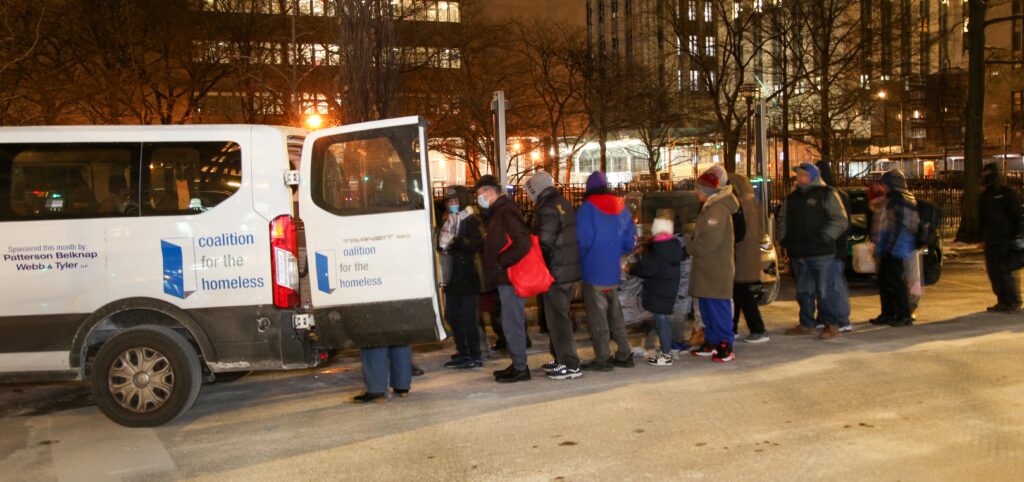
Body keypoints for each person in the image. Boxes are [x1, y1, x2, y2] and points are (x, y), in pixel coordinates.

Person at [779, 163, 849, 340]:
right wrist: (784, 239)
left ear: (812, 176)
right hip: (799, 253)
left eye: (802, 174)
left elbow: (840, 220)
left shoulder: (827, 194)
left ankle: (830, 324)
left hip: (822, 253)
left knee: (826, 291)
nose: (798, 177)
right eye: (798, 174)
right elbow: (782, 219)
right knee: (804, 291)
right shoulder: (792, 198)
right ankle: (806, 323)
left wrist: (825, 236)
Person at [524, 171, 584, 380]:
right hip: (566, 269)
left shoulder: (547, 207)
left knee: (558, 319)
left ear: (535, 189)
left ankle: (570, 363)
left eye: (529, 191)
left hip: (555, 272)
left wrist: (535, 261)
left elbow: (544, 242)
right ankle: (560, 358)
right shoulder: (561, 202)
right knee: (558, 316)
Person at [475, 175, 534, 383]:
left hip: (510, 277)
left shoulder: (506, 212)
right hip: (503, 278)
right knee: (509, 322)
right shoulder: (497, 213)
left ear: (490, 192)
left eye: (480, 195)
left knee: (513, 322)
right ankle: (517, 363)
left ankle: (521, 368)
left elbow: (523, 243)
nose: (479, 199)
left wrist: (501, 261)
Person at [577, 171, 636, 371]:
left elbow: (583, 241)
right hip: (613, 270)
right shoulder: (621, 206)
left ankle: (603, 357)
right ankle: (624, 353)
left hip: (593, 270)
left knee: (598, 317)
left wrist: (579, 260)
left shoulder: (587, 208)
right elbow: (629, 241)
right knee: (615, 314)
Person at [688, 170, 740, 362]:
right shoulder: (710, 207)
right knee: (708, 306)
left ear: (705, 191)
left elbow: (709, 241)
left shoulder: (717, 210)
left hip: (716, 269)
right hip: (707, 268)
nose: (695, 192)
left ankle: (725, 344)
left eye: (697, 189)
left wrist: (689, 245)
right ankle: (713, 341)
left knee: (718, 307)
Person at [629, 209, 684, 366]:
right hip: (669, 288)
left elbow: (648, 269)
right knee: (662, 320)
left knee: (661, 321)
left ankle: (666, 355)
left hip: (658, 289)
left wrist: (631, 269)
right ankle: (665, 351)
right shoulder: (673, 245)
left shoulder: (657, 248)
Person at [438, 186, 485, 370]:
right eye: (450, 202)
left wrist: (455, 241)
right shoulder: (449, 221)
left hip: (467, 277)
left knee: (468, 319)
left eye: (456, 201)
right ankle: (463, 351)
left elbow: (477, 244)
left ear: (463, 201)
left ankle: (474, 355)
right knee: (452, 315)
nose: (453, 205)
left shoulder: (471, 220)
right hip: (452, 276)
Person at [870, 169, 919, 327]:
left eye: (885, 183)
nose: (882, 186)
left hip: (897, 247)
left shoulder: (899, 198)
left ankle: (903, 314)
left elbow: (896, 226)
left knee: (895, 281)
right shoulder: (895, 198)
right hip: (892, 245)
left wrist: (888, 246)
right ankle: (889, 313)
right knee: (885, 280)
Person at [728, 173, 769, 343]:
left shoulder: (740, 205)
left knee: (742, 293)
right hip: (749, 253)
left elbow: (738, 232)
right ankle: (733, 327)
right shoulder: (752, 202)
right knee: (738, 292)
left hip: (742, 254)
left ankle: (758, 329)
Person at [979, 163, 1023, 313]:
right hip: (992, 238)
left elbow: (1017, 216)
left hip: (1005, 239)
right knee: (994, 271)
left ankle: (1013, 300)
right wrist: (983, 238)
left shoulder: (1008, 194)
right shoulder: (985, 196)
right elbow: (983, 218)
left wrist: (1017, 236)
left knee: (1005, 270)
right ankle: (1002, 299)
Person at [816, 161, 853, 333]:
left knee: (835, 285)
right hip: (830, 247)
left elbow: (843, 224)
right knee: (826, 286)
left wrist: (832, 241)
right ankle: (827, 316)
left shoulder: (834, 195)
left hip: (834, 248)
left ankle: (842, 319)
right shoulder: (832, 194)